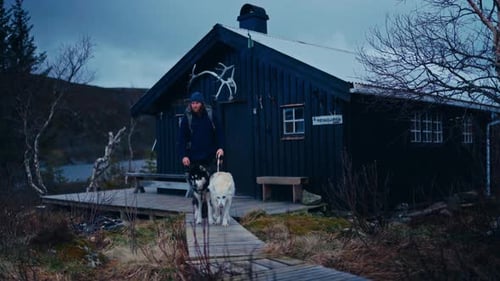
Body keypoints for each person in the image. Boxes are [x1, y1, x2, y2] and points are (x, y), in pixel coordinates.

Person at [177, 91, 225, 173]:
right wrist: (184, 156)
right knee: (197, 184)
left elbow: (219, 133)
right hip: (194, 159)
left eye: (197, 103)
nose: (194, 105)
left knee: (213, 183)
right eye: (192, 103)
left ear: (202, 103)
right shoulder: (187, 117)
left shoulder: (211, 114)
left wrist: (221, 148)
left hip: (211, 157)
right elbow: (182, 139)